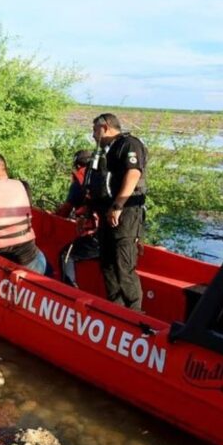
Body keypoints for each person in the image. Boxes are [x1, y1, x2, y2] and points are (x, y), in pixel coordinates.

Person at [88, 113, 147, 312]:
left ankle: (135, 313)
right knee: (107, 263)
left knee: (124, 266)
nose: (93, 135)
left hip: (126, 214)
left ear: (105, 127)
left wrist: (118, 205)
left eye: (95, 130)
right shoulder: (107, 151)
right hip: (108, 214)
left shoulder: (129, 144)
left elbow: (133, 174)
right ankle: (116, 309)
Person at [56, 150, 100, 287]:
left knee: (66, 255)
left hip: (94, 236)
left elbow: (64, 211)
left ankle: (69, 291)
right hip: (110, 234)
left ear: (78, 165)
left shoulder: (79, 183)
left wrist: (53, 214)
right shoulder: (101, 179)